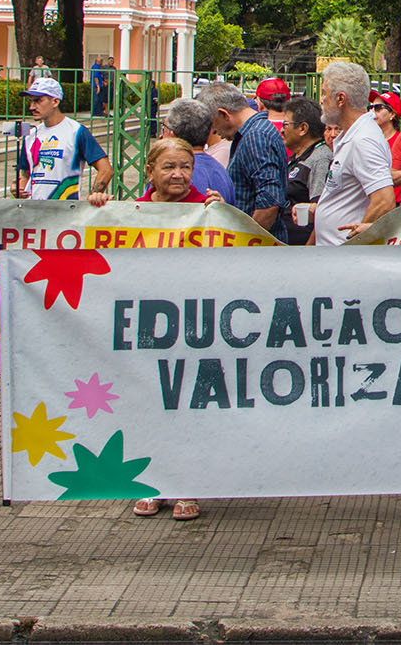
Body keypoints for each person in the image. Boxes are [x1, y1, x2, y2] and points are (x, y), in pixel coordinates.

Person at [121, 138, 220, 520]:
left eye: (185, 167)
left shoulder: (207, 209)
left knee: (189, 406)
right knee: (148, 403)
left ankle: (187, 482)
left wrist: (222, 215)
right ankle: (153, 481)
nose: (178, 174)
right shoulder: (131, 212)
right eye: (169, 167)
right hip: (146, 322)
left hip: (193, 325)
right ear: (149, 172)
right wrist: (97, 208)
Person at [312, 61, 397, 245]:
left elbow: (384, 201)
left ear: (340, 99)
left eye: (324, 93)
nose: (322, 100)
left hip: (345, 257)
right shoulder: (352, 135)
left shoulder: (363, 140)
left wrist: (354, 244)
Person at [197, 82, 288, 236]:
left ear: (224, 114)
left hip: (257, 245)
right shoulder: (256, 132)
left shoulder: (256, 136)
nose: (214, 132)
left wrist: (246, 239)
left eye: (213, 124)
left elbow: (270, 202)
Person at [14, 78, 112, 205]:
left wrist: (95, 194)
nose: (32, 107)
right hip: (33, 210)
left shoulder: (76, 131)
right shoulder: (30, 135)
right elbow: (26, 174)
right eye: (31, 101)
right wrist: (18, 188)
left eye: (38, 101)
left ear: (55, 101)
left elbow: (106, 169)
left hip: (65, 210)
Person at [281, 99, 334, 244]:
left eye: (286, 124)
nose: (282, 130)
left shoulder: (319, 159)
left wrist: (308, 249)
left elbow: (319, 212)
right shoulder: (298, 157)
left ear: (303, 128)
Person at [161, 98, 236, 201]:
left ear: (172, 135)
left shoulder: (169, 176)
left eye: (164, 128)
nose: (161, 136)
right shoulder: (221, 171)